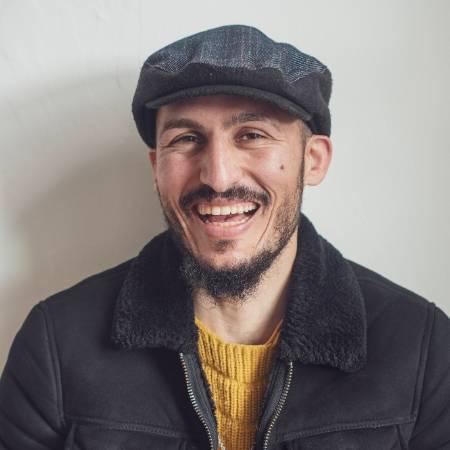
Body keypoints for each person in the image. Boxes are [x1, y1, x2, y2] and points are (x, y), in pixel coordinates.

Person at [0, 25, 449, 450]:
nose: (217, 176)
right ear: (156, 167)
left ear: (313, 160)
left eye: (252, 135)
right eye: (187, 138)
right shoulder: (55, 345)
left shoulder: (423, 349)